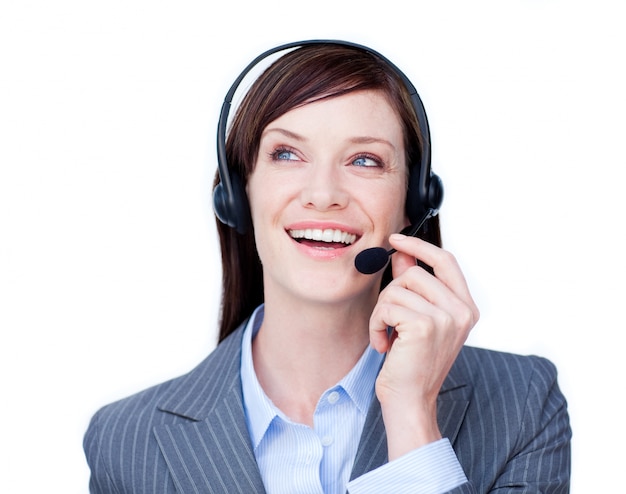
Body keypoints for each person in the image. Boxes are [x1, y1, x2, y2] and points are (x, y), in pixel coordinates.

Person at [83, 40, 571, 493]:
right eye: (287, 154)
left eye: (364, 161)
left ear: (414, 202)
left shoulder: (524, 405)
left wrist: (412, 416)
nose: (323, 195)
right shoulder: (125, 442)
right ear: (237, 194)